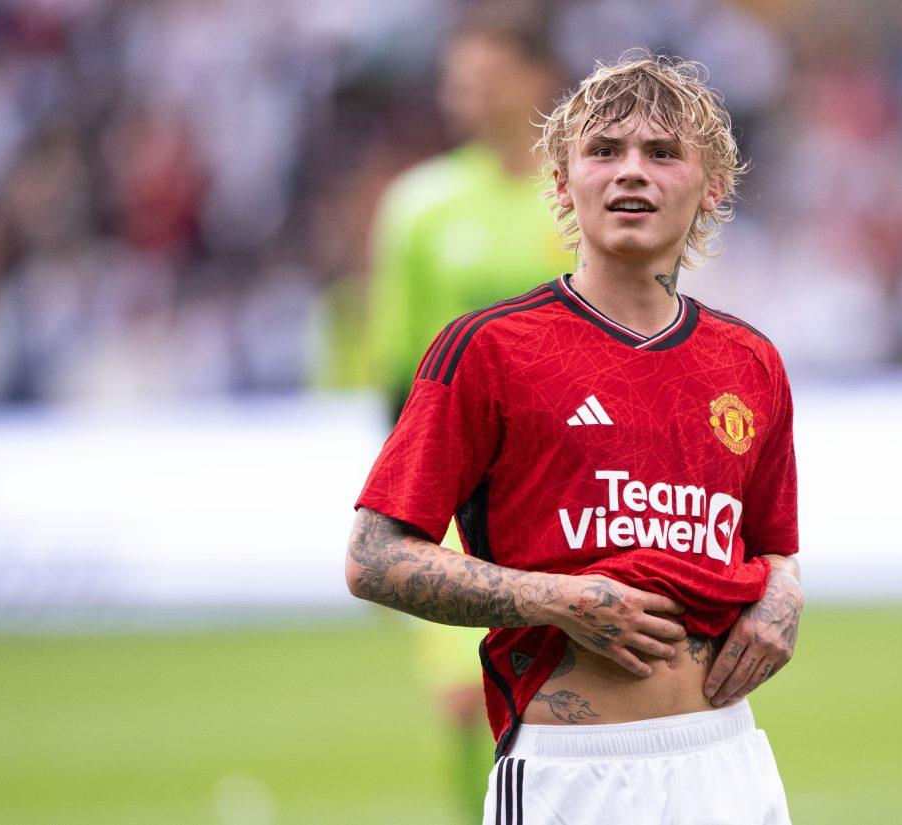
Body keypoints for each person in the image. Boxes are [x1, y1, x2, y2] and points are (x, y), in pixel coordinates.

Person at [346, 50, 803, 824]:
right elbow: (373, 556)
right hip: (571, 777)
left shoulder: (749, 361)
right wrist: (556, 598)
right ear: (560, 183)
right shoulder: (487, 348)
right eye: (603, 151)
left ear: (712, 188)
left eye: (662, 153)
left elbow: (773, 549)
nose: (631, 172)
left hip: (727, 761)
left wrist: (783, 598)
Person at [358, 11, 575, 821]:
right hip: (457, 495)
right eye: (457, 78)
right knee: (465, 698)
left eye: (481, 75)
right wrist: (404, 505)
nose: (464, 93)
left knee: (571, 695)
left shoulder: (581, 198)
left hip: (573, 486)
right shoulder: (419, 208)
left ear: (531, 79)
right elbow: (395, 374)